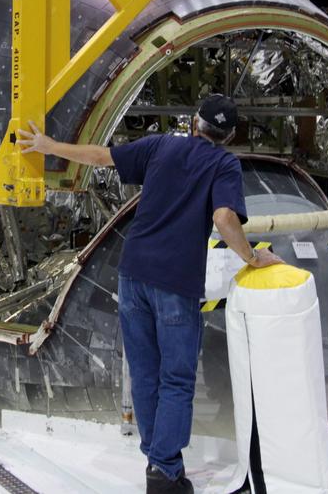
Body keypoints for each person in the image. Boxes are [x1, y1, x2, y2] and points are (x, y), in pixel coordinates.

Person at [17, 95, 282, 494]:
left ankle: (156, 460)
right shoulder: (224, 163)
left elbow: (102, 156)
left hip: (133, 273)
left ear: (195, 122)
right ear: (228, 135)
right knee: (176, 378)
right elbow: (224, 217)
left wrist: (51, 147)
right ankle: (164, 472)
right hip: (175, 283)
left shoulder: (161, 145)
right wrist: (252, 256)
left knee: (144, 373)